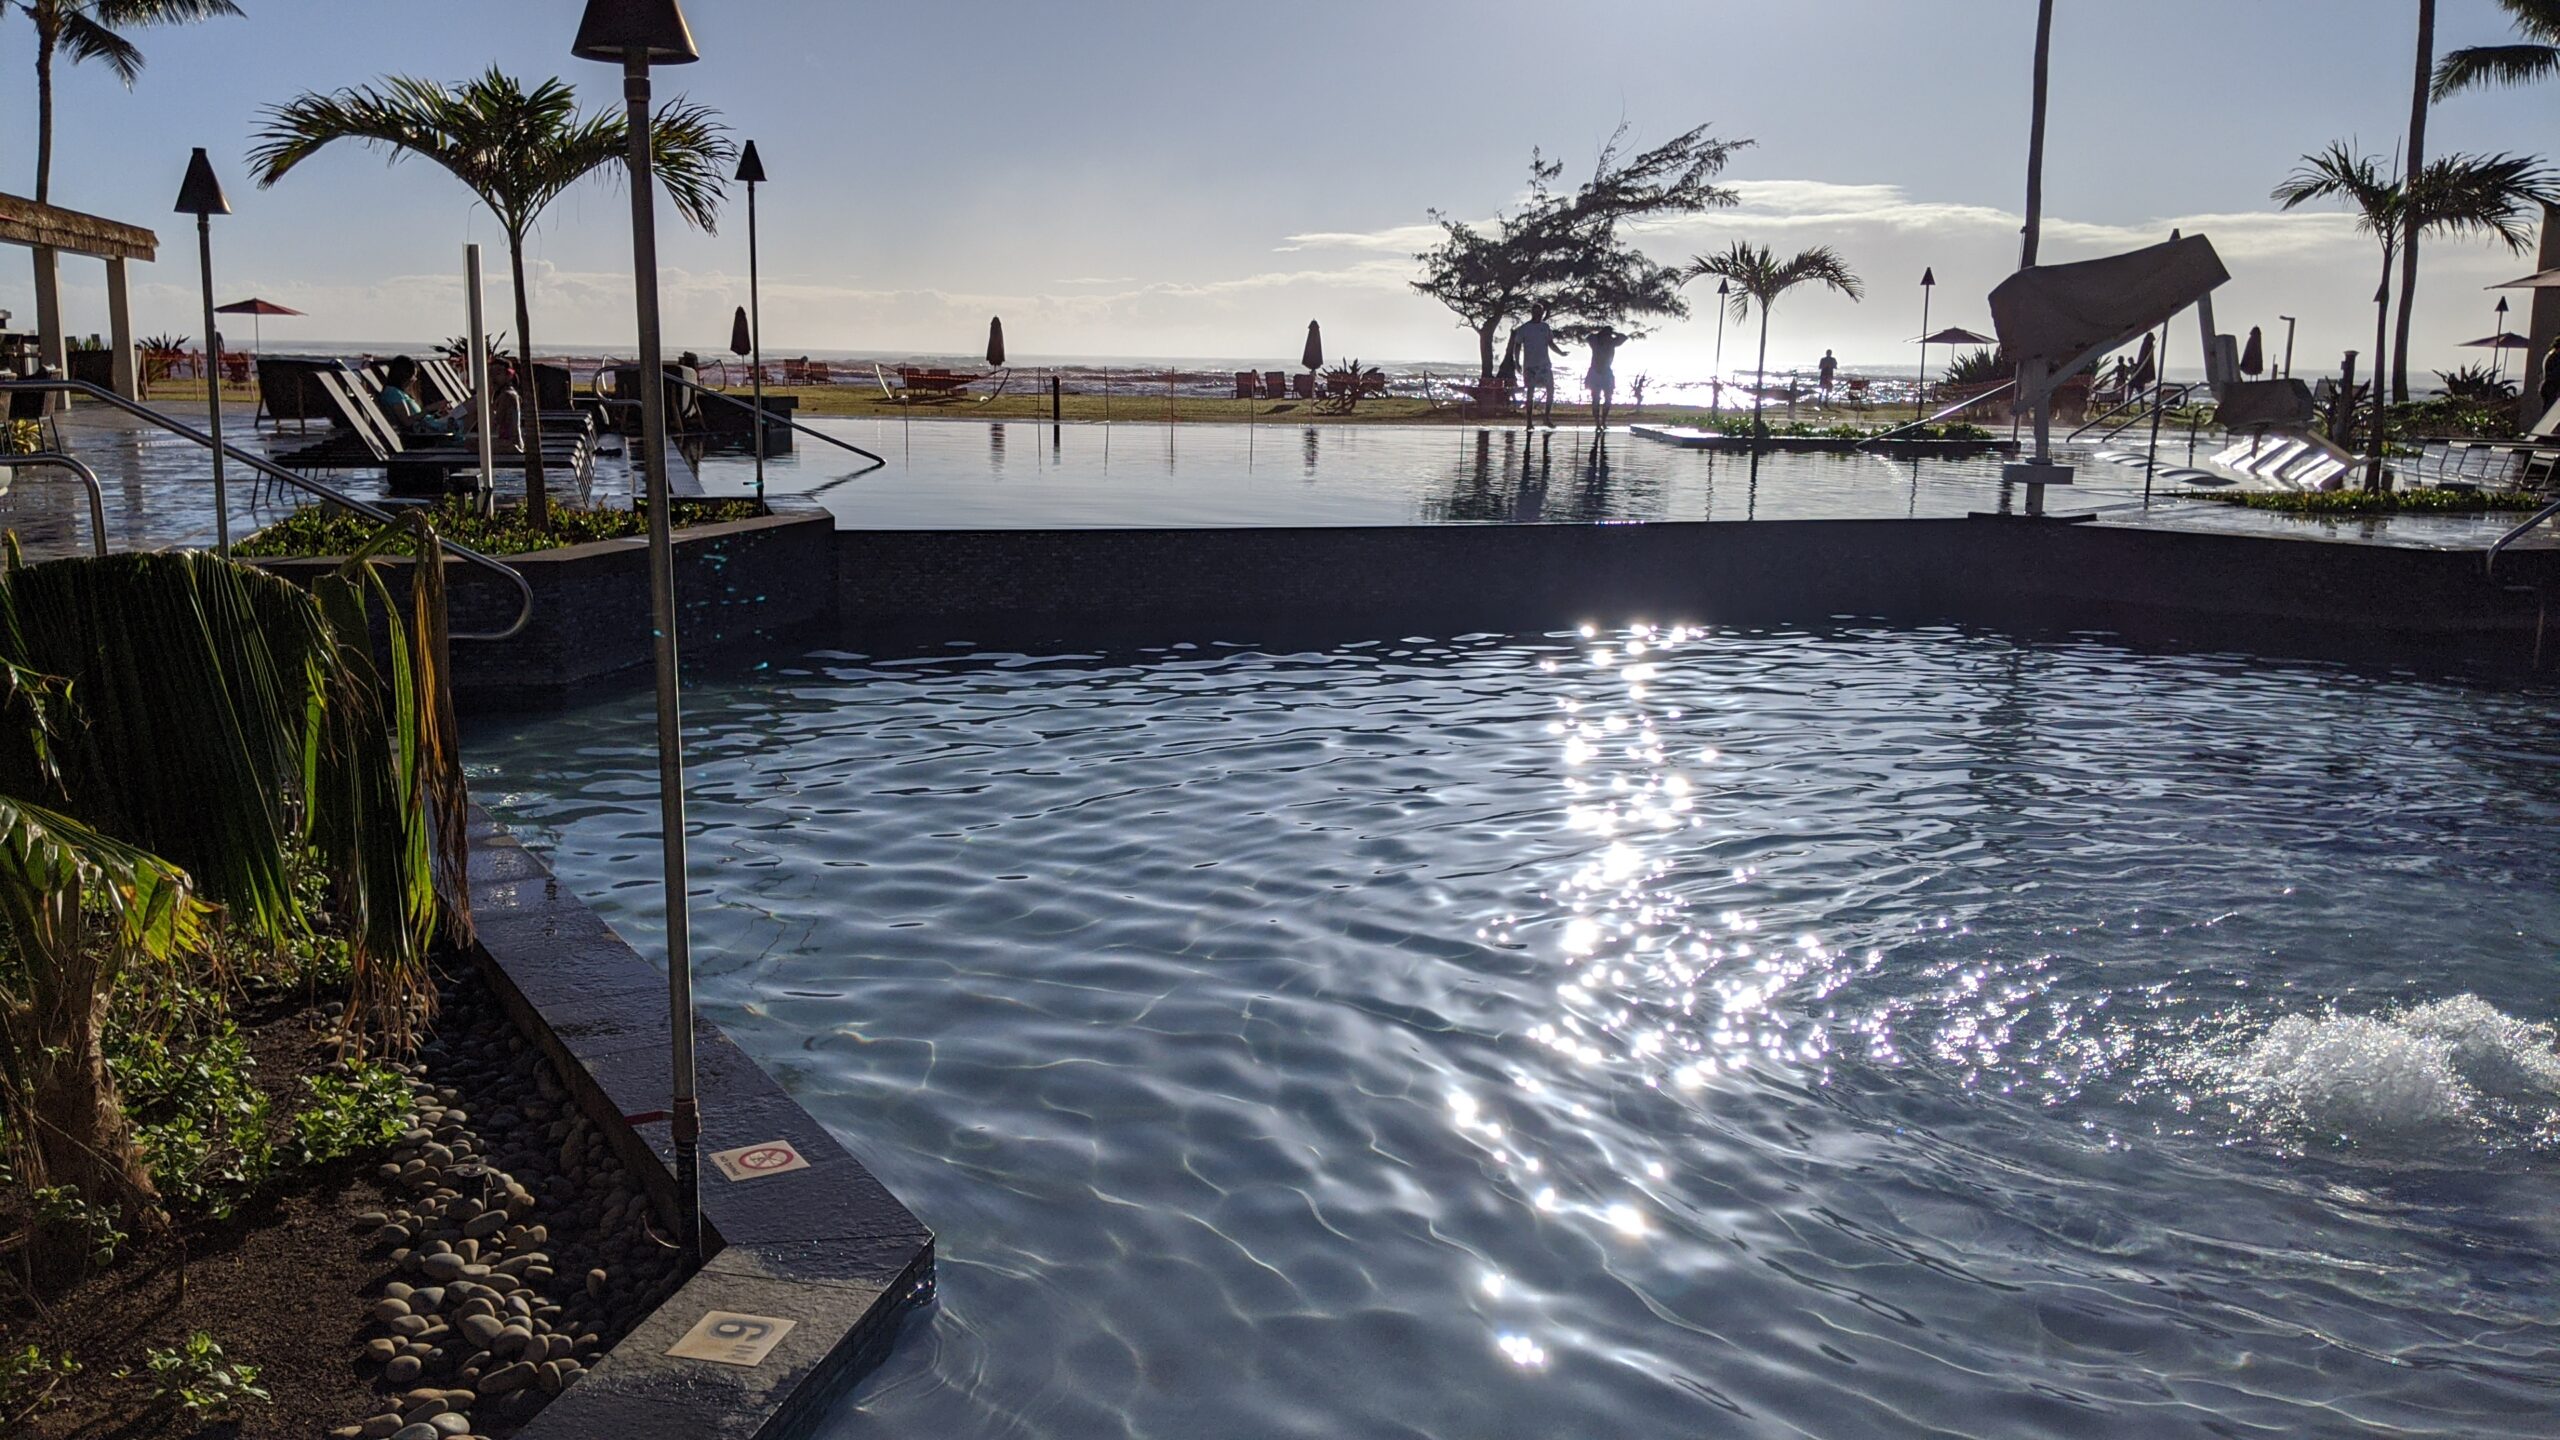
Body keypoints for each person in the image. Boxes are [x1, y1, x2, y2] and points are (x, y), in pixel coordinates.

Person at [1510, 305, 1564, 426]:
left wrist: (1560, 352)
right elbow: (1517, 345)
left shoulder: (1545, 327)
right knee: (1530, 392)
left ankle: (1546, 417)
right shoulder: (1524, 328)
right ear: (1532, 313)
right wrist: (1517, 362)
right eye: (1536, 312)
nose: (1538, 315)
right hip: (1530, 366)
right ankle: (1529, 421)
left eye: (1540, 313)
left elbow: (1550, 343)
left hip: (1544, 364)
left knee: (1550, 389)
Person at [378, 355, 456, 438]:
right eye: (414, 376)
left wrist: (438, 414)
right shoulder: (393, 393)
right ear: (404, 375)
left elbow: (415, 418)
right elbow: (407, 422)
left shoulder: (397, 392)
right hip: (433, 432)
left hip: (434, 426)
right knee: (470, 406)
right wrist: (429, 409)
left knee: (467, 407)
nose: (415, 379)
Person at [1586, 325, 1624, 429]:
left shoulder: (1612, 342)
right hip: (1595, 371)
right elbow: (1588, 337)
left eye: (1609, 334)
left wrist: (1612, 334)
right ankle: (1597, 422)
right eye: (1605, 334)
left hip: (1607, 372)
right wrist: (1601, 334)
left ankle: (1603, 421)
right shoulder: (1595, 341)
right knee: (1595, 398)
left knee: (1608, 398)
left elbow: (1623, 337)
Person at [2540, 337, 2560, 417]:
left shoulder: (2550, 355)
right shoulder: (2556, 357)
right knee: (2549, 415)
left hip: (2548, 387)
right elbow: (2556, 375)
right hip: (2552, 388)